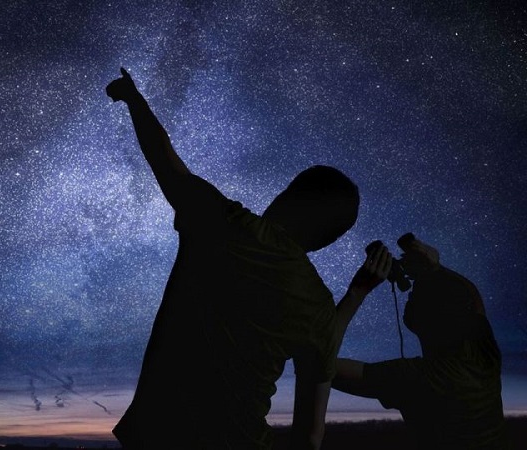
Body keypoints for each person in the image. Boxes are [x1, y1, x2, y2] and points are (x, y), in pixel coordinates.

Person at [105, 67, 389, 450]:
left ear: (288, 198)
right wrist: (356, 293)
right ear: (326, 240)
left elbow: (163, 158)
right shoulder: (317, 302)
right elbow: (311, 434)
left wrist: (133, 98)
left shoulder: (223, 223)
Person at [333, 233, 510, 449]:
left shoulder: (422, 378)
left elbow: (319, 363)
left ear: (428, 318)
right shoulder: (484, 353)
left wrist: (358, 290)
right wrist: (435, 269)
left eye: (415, 293)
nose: (410, 293)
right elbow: (472, 297)